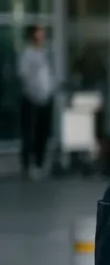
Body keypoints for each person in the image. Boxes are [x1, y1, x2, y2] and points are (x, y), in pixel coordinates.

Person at [18, 24, 56, 179]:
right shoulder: (26, 54)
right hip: (31, 98)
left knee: (43, 133)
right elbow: (23, 75)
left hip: (46, 99)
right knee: (29, 133)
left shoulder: (47, 53)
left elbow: (50, 73)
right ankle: (28, 165)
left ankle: (40, 163)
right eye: (37, 36)